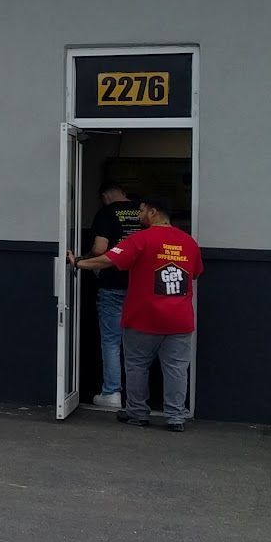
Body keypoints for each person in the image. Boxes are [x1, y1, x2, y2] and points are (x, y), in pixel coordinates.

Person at [67, 193, 203, 431]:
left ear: (153, 212)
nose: (138, 215)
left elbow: (106, 259)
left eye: (141, 211)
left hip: (144, 318)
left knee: (137, 365)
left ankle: (138, 413)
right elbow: (195, 273)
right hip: (179, 319)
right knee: (176, 369)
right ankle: (175, 417)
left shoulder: (141, 239)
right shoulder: (189, 242)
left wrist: (78, 264)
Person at [74, 182, 141, 406]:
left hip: (113, 283)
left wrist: (84, 260)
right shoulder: (143, 212)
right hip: (140, 284)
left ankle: (112, 393)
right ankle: (138, 397)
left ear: (104, 196)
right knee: (139, 342)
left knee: (112, 341)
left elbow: (101, 248)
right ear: (124, 191)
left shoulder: (106, 212)